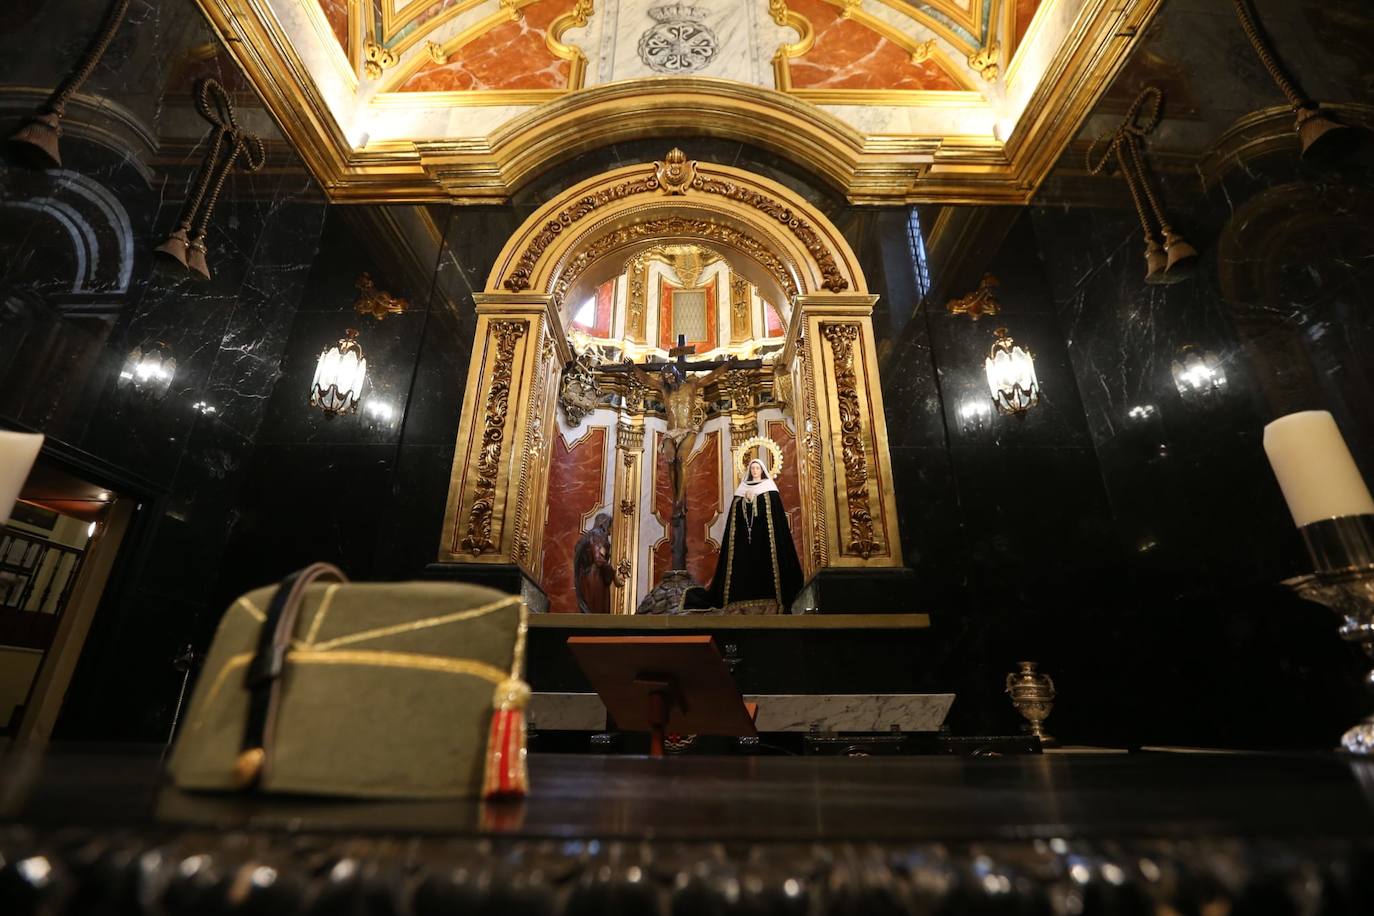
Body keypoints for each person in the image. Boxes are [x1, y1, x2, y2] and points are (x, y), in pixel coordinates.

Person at [682, 457, 803, 614]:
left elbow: (776, 520)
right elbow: (735, 518)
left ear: (762, 471)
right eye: (752, 468)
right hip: (744, 543)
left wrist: (755, 500)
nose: (754, 471)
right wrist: (745, 501)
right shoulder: (741, 489)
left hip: (766, 543)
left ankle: (774, 601)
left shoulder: (770, 489)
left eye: (757, 468)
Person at [573, 513, 624, 614]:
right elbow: (598, 559)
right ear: (605, 524)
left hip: (585, 578)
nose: (611, 530)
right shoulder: (599, 534)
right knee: (597, 616)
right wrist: (614, 575)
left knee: (589, 613)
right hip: (596, 578)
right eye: (610, 526)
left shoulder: (588, 537)